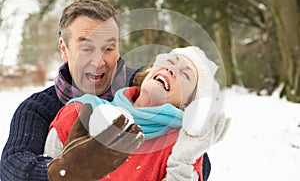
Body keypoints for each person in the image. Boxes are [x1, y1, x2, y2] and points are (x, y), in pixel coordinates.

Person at [0, 0, 144, 181]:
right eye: (86, 48)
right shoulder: (37, 109)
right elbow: (12, 166)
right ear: (64, 49)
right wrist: (64, 171)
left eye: (108, 48)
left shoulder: (144, 86)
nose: (98, 62)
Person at [44, 46, 230, 180]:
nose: (171, 69)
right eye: (170, 62)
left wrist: (182, 161)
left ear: (188, 103)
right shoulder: (81, 112)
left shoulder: (182, 148)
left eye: (185, 75)